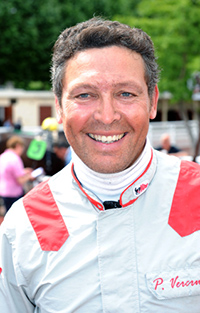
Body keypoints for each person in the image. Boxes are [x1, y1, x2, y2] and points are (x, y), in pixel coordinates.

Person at [0, 17, 200, 313]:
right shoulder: (23, 227)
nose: (107, 116)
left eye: (126, 93)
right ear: (59, 106)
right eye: (85, 95)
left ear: (152, 101)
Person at [0, 135, 34, 212]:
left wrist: (23, 171)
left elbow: (8, 172)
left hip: (3, 191)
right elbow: (20, 180)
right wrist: (29, 176)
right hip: (13, 193)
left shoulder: (3, 156)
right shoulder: (15, 158)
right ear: (18, 146)